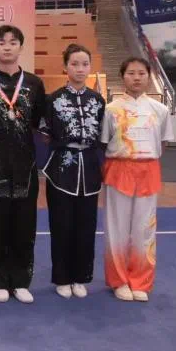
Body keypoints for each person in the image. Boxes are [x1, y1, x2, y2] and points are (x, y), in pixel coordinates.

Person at [0, 25, 46, 304]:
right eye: (1, 42)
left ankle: (21, 280)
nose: (7, 47)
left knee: (24, 227)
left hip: (25, 167)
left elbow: (39, 122)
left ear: (21, 47)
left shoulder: (34, 84)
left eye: (13, 42)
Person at [101, 57, 172, 303]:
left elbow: (162, 143)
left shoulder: (160, 110)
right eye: (131, 73)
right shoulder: (111, 110)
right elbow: (104, 143)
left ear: (148, 76)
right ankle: (119, 281)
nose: (137, 77)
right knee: (117, 229)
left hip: (148, 170)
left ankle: (141, 281)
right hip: (119, 169)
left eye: (141, 73)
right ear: (123, 77)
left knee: (144, 229)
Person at [41, 44, 105, 299]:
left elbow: (103, 136)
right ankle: (62, 278)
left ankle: (81, 277)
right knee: (61, 225)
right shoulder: (52, 100)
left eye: (85, 64)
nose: (80, 69)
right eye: (74, 64)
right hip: (61, 169)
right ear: (65, 67)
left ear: (90, 67)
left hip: (90, 168)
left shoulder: (98, 101)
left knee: (86, 226)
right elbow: (45, 135)